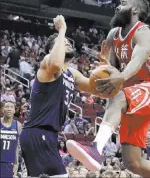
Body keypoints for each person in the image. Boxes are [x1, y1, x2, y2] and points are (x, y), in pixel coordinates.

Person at [66, 0, 150, 177]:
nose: (117, 7)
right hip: (130, 97)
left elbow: (137, 61)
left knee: (119, 95)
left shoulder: (143, 33)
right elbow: (113, 70)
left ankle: (95, 149)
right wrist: (104, 68)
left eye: (123, 4)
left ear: (135, 10)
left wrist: (120, 77)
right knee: (132, 163)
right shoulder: (113, 34)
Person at [19, 15, 95, 177]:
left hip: (48, 134)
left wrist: (110, 71)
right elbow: (55, 63)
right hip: (39, 131)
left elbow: (95, 87)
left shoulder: (72, 73)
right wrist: (61, 31)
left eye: (68, 41)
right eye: (63, 42)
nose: (67, 42)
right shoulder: (48, 61)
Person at [1, 101, 22, 178]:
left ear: (14, 110)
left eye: (11, 107)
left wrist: (16, 164)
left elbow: (16, 147)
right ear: (3, 109)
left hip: (9, 162)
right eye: (7, 107)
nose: (9, 109)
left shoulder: (18, 125)